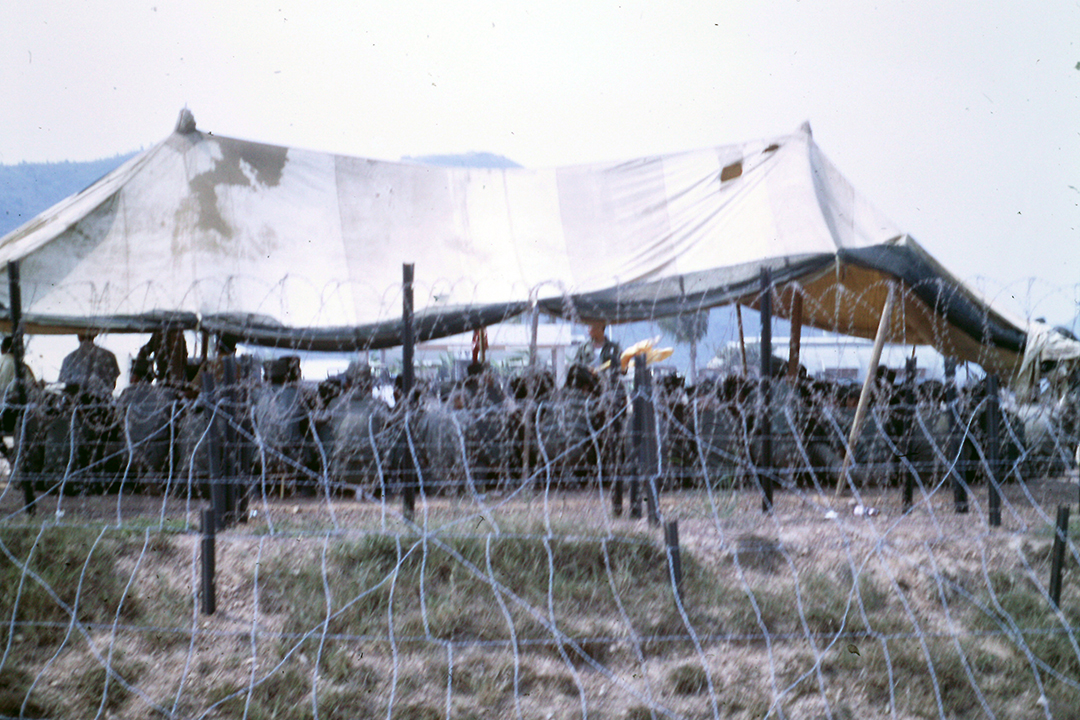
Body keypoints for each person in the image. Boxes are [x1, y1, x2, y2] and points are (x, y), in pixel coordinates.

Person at [58, 331, 120, 399]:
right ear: (95, 334)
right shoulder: (109, 356)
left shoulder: (69, 358)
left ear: (79, 336)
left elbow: (64, 384)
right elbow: (113, 383)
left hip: (78, 402)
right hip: (102, 401)